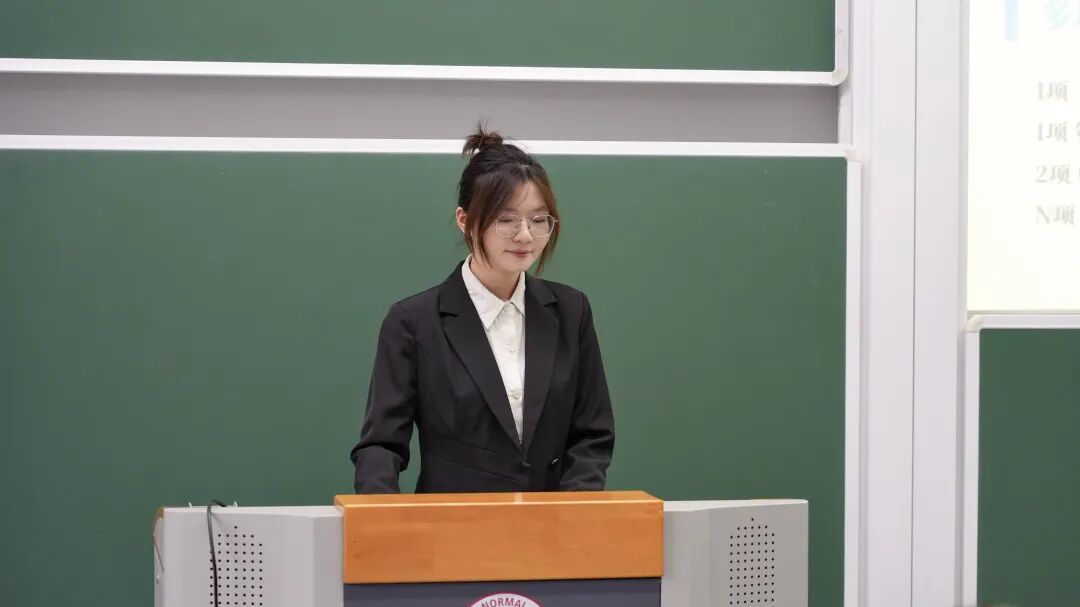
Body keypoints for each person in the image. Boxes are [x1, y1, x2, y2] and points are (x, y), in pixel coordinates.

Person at [350, 126, 615, 494]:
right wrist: (382, 517)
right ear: (465, 220)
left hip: (554, 523)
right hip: (451, 523)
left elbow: (592, 435)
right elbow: (381, 446)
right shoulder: (414, 321)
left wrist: (572, 510)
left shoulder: (571, 311)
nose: (525, 235)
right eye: (506, 220)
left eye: (539, 220)